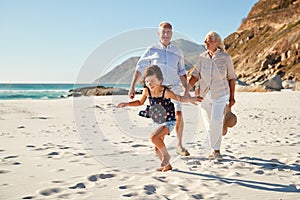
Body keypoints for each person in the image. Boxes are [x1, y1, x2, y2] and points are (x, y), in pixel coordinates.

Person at [117, 65, 202, 171]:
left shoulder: (165, 92)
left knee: (154, 138)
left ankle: (167, 156)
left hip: (168, 121)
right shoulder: (147, 91)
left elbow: (179, 98)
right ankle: (168, 166)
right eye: (147, 81)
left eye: (153, 81)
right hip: (157, 121)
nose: (149, 84)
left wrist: (192, 98)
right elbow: (139, 102)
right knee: (157, 149)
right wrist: (126, 104)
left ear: (160, 80)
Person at [128, 21, 191, 156]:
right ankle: (159, 143)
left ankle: (179, 145)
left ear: (172, 34)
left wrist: (186, 89)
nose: (166, 34)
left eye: (168, 32)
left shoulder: (177, 51)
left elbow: (181, 72)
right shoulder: (152, 50)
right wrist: (132, 86)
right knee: (159, 118)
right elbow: (140, 67)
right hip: (157, 90)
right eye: (163, 32)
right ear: (159, 33)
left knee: (179, 114)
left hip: (173, 88)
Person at [187, 31, 236, 161]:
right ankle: (220, 131)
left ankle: (216, 151)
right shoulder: (202, 57)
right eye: (205, 40)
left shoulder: (225, 58)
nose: (205, 42)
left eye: (207, 40)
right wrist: (186, 90)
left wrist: (232, 97)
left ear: (216, 42)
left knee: (215, 121)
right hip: (204, 95)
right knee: (209, 124)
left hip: (221, 94)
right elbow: (195, 75)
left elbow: (231, 78)